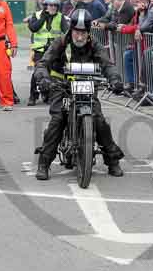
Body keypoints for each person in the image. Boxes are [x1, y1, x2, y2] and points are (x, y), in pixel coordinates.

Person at [32, 9, 126, 180]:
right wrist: (43, 79)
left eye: (83, 32)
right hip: (63, 87)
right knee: (58, 119)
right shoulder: (60, 42)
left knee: (99, 120)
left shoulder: (94, 44)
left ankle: (112, 160)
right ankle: (44, 163)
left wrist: (115, 79)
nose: (80, 37)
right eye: (77, 32)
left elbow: (108, 64)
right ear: (71, 29)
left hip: (86, 86)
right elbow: (42, 63)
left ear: (88, 31)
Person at [27, 0, 69, 106]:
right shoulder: (36, 15)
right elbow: (33, 28)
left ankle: (56, 95)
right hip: (40, 50)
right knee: (38, 72)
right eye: (51, 5)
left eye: (55, 5)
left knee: (61, 71)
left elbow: (67, 31)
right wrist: (43, 18)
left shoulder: (60, 17)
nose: (53, 7)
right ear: (45, 6)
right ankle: (33, 96)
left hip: (55, 50)